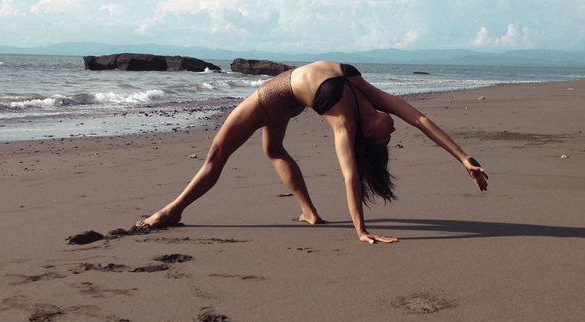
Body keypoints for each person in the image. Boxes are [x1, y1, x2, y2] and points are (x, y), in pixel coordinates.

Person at [135, 60, 488, 243]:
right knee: (272, 149)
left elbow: (350, 172)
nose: (392, 130)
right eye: (387, 135)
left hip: (275, 97)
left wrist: (360, 230)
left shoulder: (345, 122)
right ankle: (309, 213)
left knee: (218, 154)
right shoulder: (369, 96)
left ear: (366, 133)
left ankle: (171, 211)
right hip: (285, 96)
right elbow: (419, 119)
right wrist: (463, 158)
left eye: (383, 139)